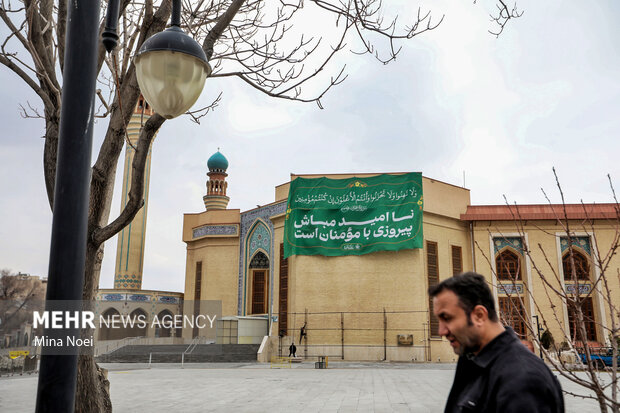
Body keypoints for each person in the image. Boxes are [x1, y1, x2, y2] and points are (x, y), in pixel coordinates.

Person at [429, 272, 564, 413]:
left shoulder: (522, 379)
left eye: (447, 318)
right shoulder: (470, 359)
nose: (441, 331)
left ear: (479, 315)